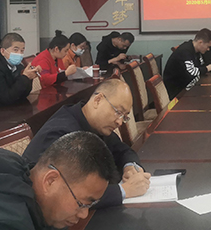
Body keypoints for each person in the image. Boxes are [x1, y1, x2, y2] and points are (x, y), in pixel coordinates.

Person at [23, 79, 151, 208]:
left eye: (124, 117)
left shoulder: (93, 123)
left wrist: (129, 167)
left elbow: (123, 150)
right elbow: (67, 192)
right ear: (98, 100)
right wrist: (124, 190)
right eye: (118, 112)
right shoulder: (62, 133)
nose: (119, 122)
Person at [163, 28, 211, 99]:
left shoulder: (196, 51)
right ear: (200, 42)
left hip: (187, 87)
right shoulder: (185, 51)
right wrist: (210, 67)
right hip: (177, 92)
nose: (208, 49)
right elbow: (192, 72)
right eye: (208, 46)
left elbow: (201, 65)